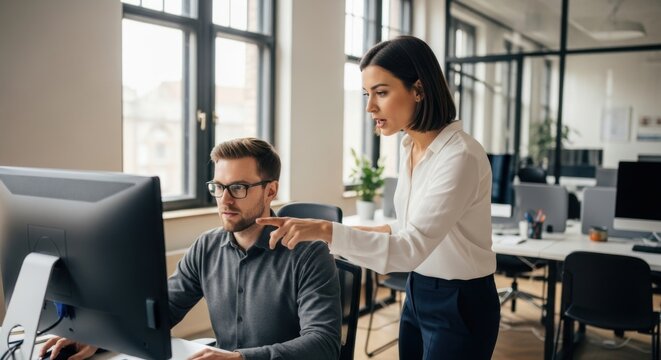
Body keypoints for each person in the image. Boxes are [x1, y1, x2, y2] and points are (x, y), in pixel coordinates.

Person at [258, 36, 500, 359]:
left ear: (419, 89)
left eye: (381, 93)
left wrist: (326, 231)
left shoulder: (461, 156)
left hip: (461, 301)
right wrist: (317, 234)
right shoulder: (410, 148)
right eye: (367, 95)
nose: (370, 107)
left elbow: (409, 249)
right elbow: (402, 231)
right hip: (419, 291)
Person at [40, 138, 342, 360]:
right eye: (218, 187)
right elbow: (163, 310)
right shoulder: (207, 246)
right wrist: (99, 338)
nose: (224, 201)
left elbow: (324, 343)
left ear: (271, 190)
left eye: (238, 188)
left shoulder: (308, 254)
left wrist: (240, 359)